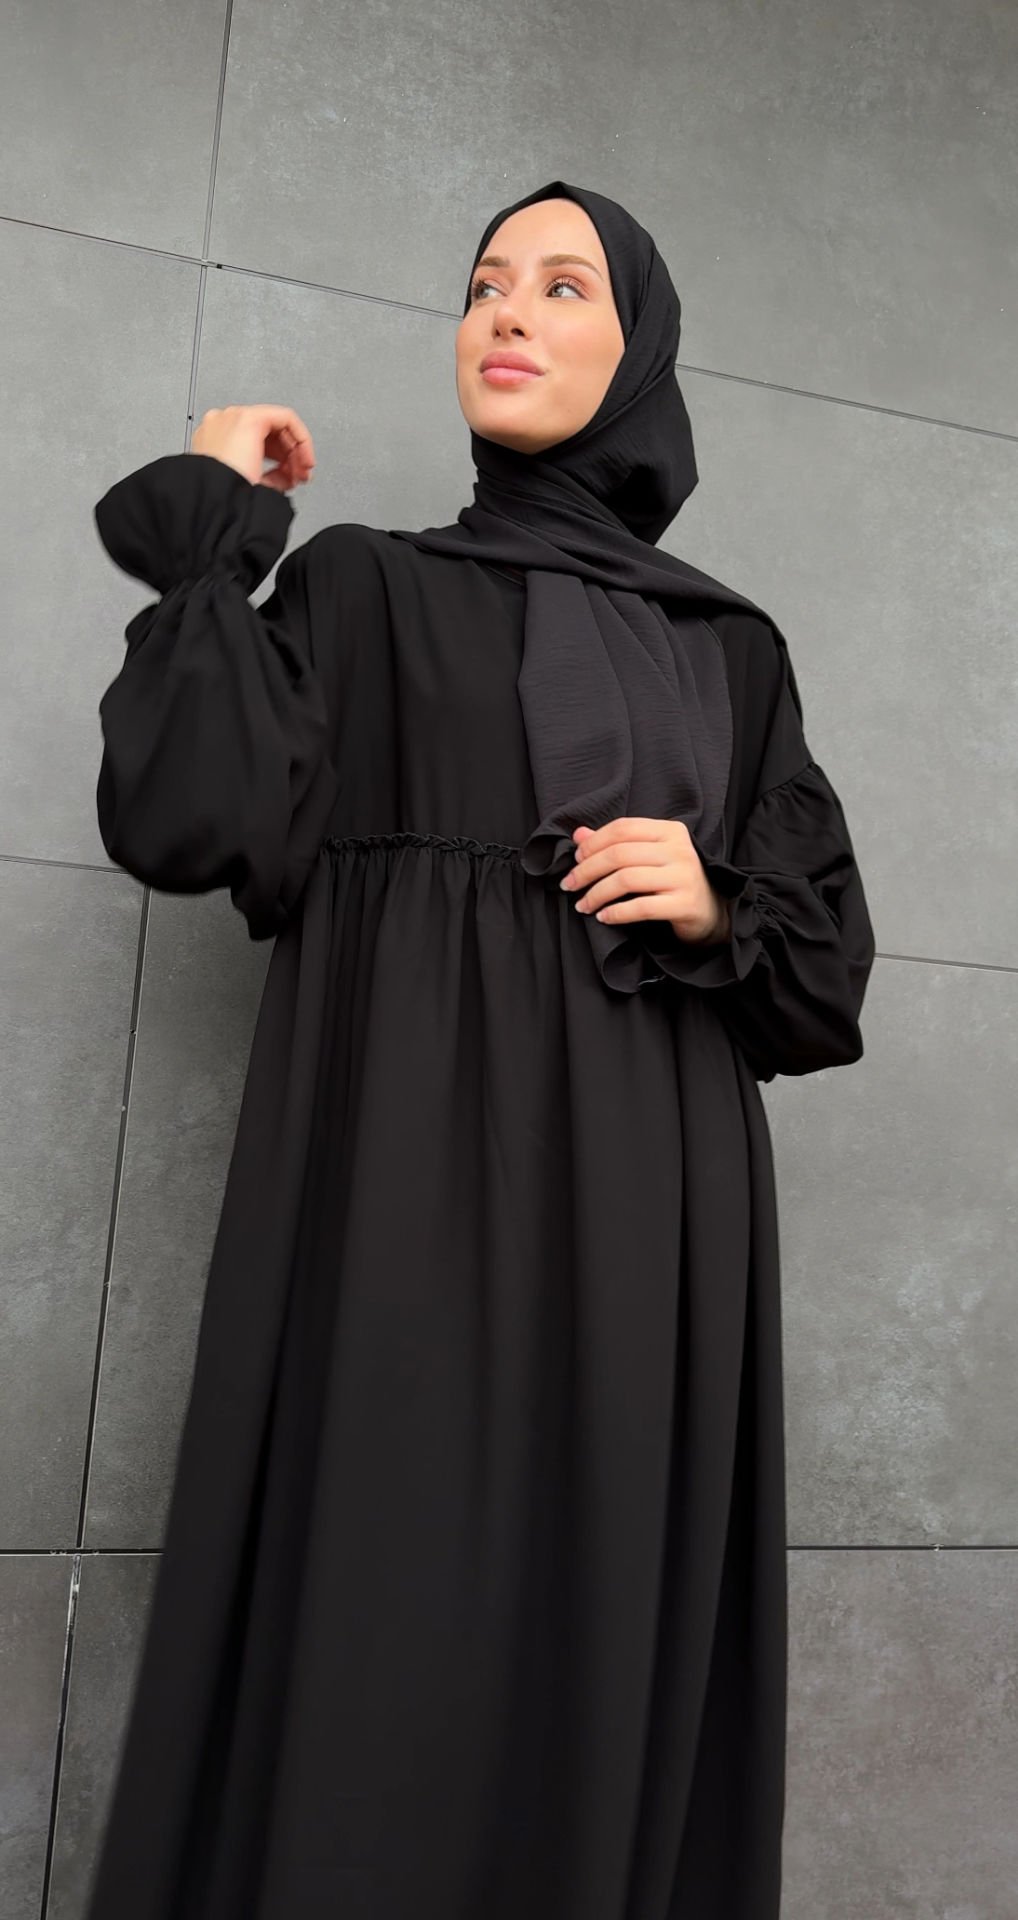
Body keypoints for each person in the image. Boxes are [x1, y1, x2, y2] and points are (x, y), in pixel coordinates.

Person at [86, 179, 875, 1920]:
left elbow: (820, 992)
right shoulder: (363, 590)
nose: (506, 310)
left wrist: (716, 901)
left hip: (650, 1220)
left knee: (595, 1633)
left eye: (562, 285)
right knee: (383, 1623)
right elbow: (182, 816)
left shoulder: (729, 649)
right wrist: (215, 528)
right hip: (398, 1192)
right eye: (484, 283)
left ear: (637, 349)